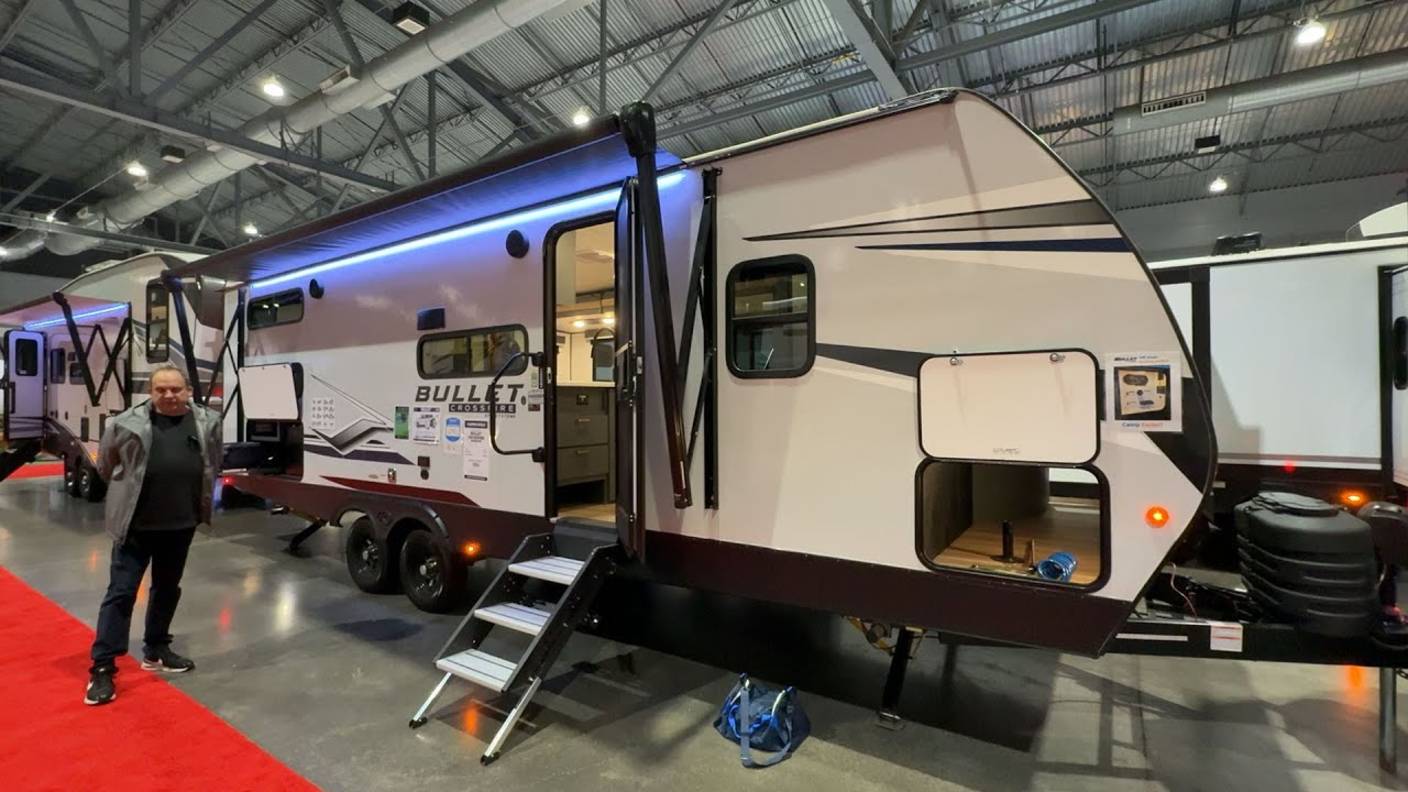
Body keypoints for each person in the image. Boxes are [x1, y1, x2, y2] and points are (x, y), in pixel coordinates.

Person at [84, 363, 222, 706]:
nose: (169, 395)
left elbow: (213, 462)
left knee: (167, 589)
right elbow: (105, 466)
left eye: (175, 389)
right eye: (161, 389)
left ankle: (157, 648)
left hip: (181, 524)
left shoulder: (208, 422)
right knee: (121, 593)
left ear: (188, 391)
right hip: (135, 526)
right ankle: (103, 666)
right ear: (151, 392)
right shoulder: (125, 423)